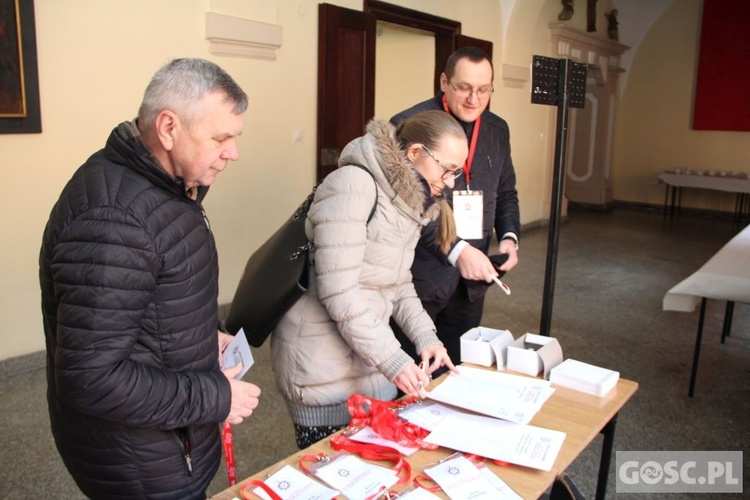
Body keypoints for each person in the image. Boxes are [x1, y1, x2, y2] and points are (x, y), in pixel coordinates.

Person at [39, 58, 261, 499]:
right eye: (221, 138)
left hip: (165, 441)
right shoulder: (113, 220)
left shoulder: (166, 186)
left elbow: (157, 297)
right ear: (167, 128)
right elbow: (91, 377)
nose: (233, 152)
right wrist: (217, 398)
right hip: (137, 459)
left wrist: (205, 333)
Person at [271, 110, 465, 449]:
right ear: (415, 153)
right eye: (446, 169)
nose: (450, 181)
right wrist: (393, 359)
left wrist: (425, 337)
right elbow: (339, 292)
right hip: (322, 370)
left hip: (367, 360)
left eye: (457, 172)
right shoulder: (353, 185)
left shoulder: (405, 200)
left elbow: (398, 281)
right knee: (333, 478)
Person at [390, 47, 521, 367]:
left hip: (472, 282)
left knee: (456, 367)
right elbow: (407, 206)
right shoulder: (409, 125)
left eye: (484, 90)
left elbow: (505, 192)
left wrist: (509, 237)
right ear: (445, 82)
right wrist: (457, 250)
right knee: (411, 373)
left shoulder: (497, 129)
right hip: (420, 279)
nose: (474, 99)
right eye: (464, 88)